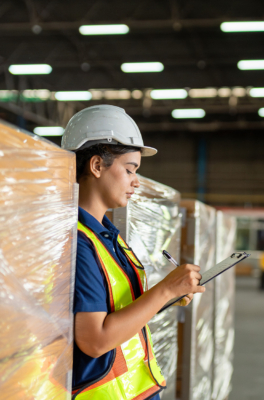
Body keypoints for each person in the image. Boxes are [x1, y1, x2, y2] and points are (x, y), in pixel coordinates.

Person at [62, 105, 205, 400]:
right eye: (129, 170)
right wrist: (165, 291)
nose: (136, 181)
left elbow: (119, 311)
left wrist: (169, 294)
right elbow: (95, 340)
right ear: (97, 166)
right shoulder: (78, 241)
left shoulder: (108, 236)